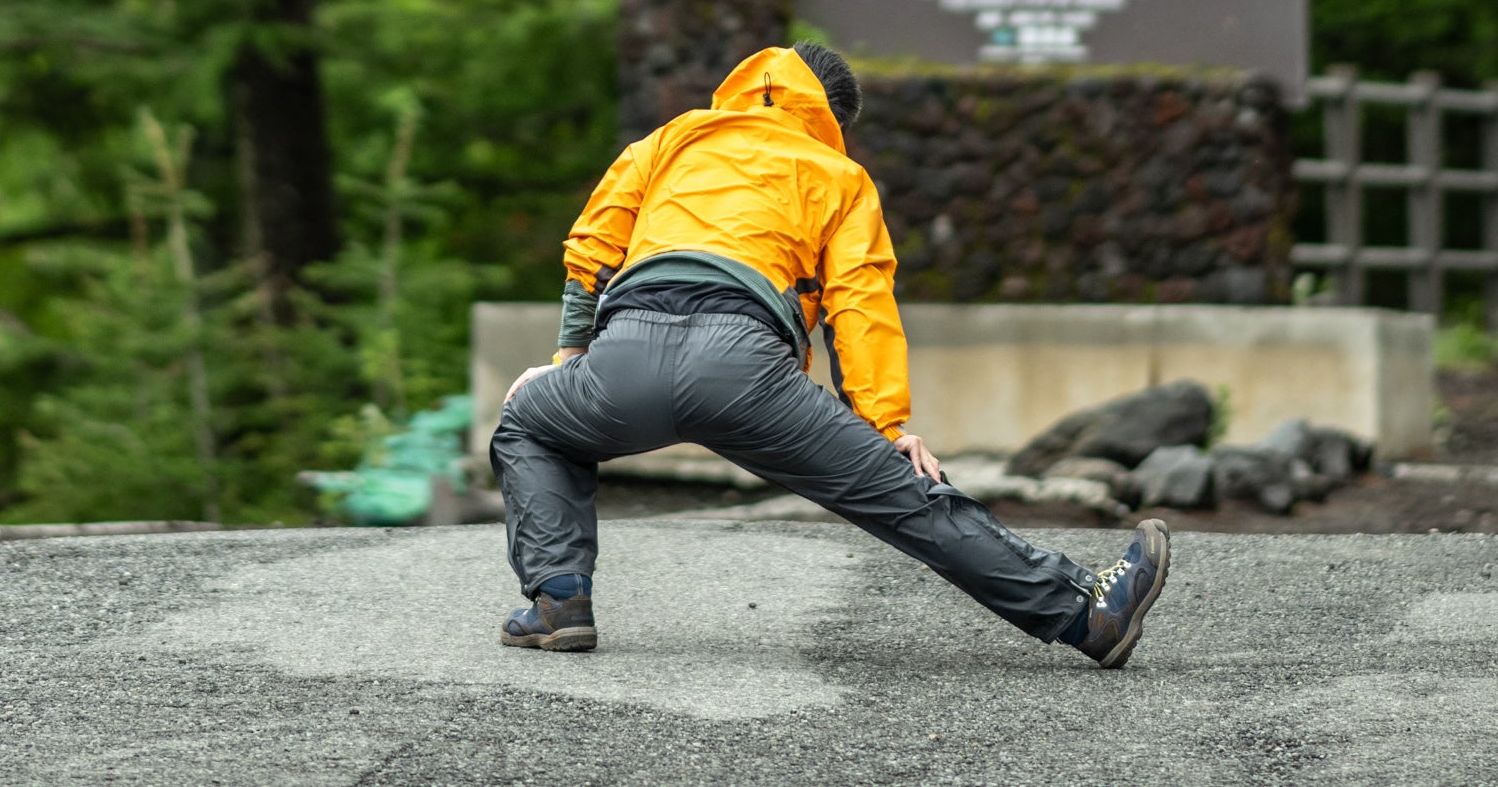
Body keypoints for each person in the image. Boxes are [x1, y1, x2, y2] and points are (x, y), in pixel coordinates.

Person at [490, 38, 1175, 665]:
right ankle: (1088, 615)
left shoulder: (669, 141)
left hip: (626, 356)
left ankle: (557, 603)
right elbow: (859, 303)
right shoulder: (839, 175)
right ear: (833, 118)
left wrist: (569, 360)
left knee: (527, 423)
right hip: (745, 367)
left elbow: (591, 251)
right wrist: (884, 431)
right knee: (904, 502)